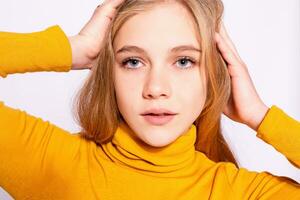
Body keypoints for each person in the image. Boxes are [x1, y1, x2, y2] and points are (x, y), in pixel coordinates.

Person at [0, 0, 299, 199]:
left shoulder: (242, 193)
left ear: (213, 73)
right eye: (133, 61)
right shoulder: (56, 163)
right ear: (110, 72)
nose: (156, 88)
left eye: (183, 61)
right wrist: (73, 49)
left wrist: (259, 115)